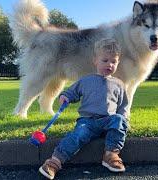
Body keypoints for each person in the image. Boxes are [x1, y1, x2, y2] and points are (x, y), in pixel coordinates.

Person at [39, 38, 129, 179]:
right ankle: (55, 161)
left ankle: (111, 154)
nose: (109, 64)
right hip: (88, 121)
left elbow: (123, 105)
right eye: (105, 60)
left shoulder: (119, 84)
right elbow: (71, 92)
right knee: (78, 135)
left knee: (119, 120)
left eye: (113, 61)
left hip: (108, 120)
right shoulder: (86, 80)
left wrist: (124, 118)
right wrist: (65, 96)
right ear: (95, 61)